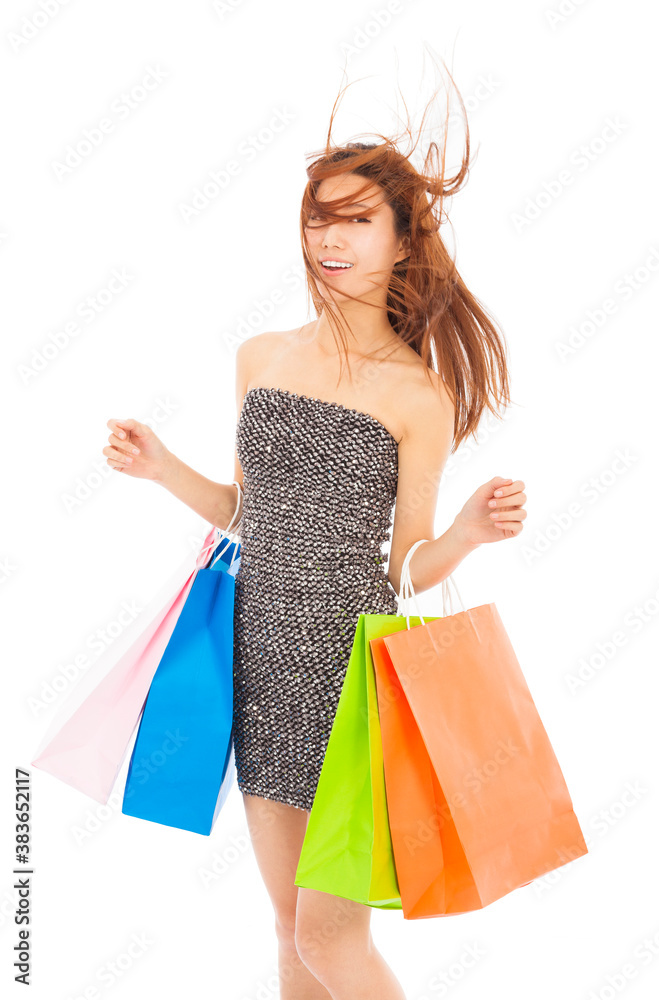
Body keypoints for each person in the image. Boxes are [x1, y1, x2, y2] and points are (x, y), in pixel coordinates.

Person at [102, 70, 527, 1000]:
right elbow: (245, 514)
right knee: (292, 938)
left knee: (332, 941)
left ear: (402, 238)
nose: (329, 237)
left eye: (356, 219)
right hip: (259, 657)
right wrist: (161, 465)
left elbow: (408, 566)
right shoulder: (263, 355)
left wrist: (463, 532)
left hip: (349, 673)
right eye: (317, 217)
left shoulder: (420, 394)